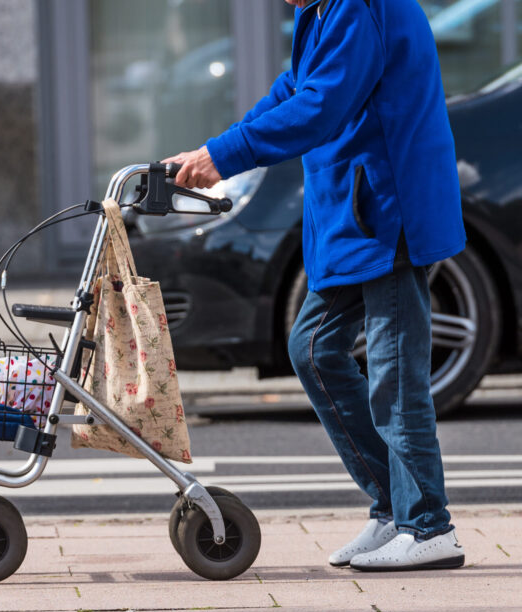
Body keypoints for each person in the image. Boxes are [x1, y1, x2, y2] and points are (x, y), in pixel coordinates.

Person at [164, 0, 465, 571]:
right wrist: (215, 151)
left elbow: (320, 106)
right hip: (359, 215)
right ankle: (391, 509)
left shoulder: (360, 4)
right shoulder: (323, 11)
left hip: (388, 209)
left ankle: (428, 525)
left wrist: (224, 156)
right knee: (312, 348)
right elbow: (293, 91)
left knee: (394, 369)